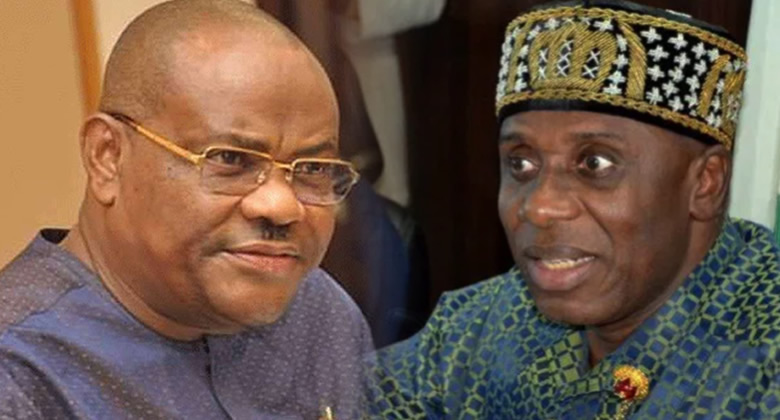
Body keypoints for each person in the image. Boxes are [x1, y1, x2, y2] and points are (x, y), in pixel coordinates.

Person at [368, 0, 780, 418]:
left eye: (595, 164)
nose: (540, 207)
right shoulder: (484, 327)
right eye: (521, 164)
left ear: (705, 182)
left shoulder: (764, 359)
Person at [0, 0, 373, 418]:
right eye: (231, 159)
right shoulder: (18, 377)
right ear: (107, 156)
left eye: (313, 168)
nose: (282, 206)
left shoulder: (318, 315)